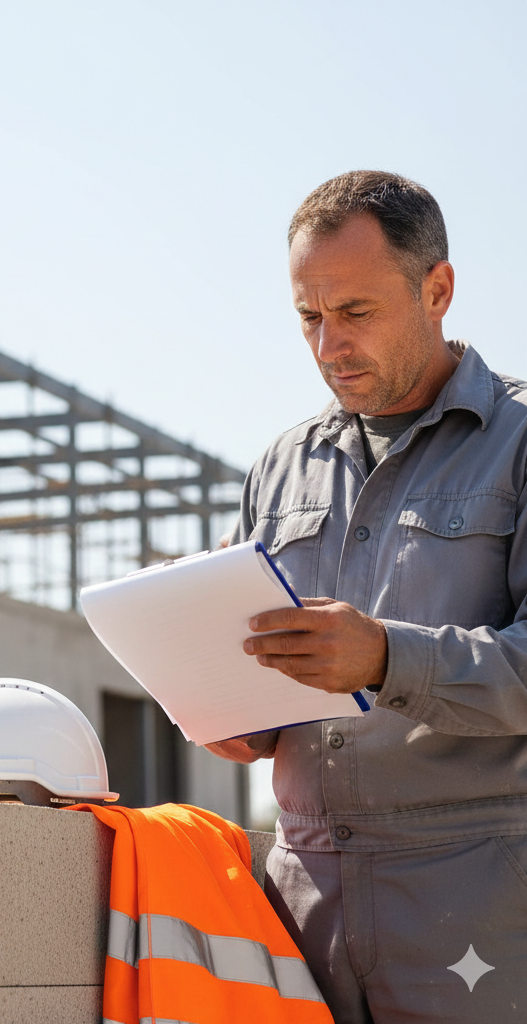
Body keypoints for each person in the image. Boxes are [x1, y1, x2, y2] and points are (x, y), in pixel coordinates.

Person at [204, 171, 527, 1021]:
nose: (328, 346)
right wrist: (227, 709)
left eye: (355, 313)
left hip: (478, 912)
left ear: (438, 290)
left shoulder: (520, 443)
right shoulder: (280, 467)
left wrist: (387, 656)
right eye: (309, 318)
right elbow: (262, 702)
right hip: (303, 906)